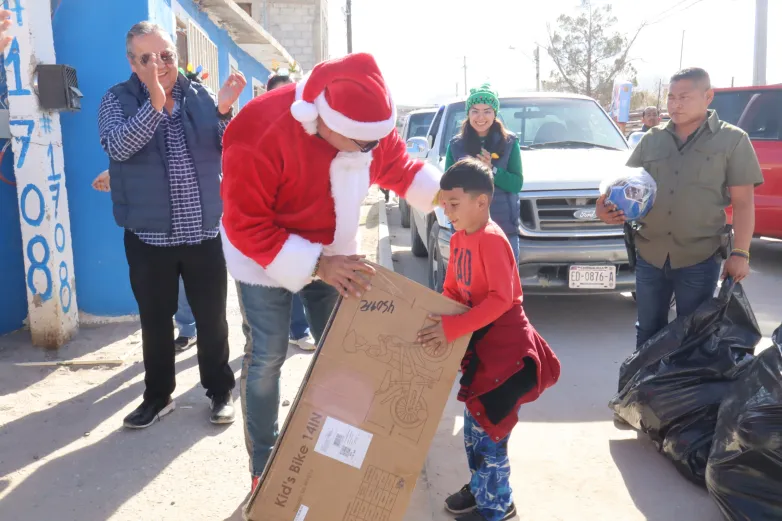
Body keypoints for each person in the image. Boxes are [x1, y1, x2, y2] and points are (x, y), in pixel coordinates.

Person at [220, 52, 443, 490]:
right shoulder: (258, 129)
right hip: (264, 256)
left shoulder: (367, 129)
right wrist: (318, 264)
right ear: (322, 119)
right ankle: (263, 466)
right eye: (363, 144)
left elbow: (398, 167)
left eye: (375, 141)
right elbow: (245, 224)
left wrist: (447, 200)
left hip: (333, 252)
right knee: (267, 356)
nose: (371, 151)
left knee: (346, 353)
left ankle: (336, 450)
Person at [98, 21, 246, 428]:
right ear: (132, 62)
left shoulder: (199, 95)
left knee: (212, 320)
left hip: (202, 232)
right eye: (147, 58)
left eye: (166, 55)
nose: (159, 64)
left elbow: (227, 148)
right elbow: (117, 146)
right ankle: (158, 397)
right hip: (149, 237)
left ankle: (219, 391)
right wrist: (154, 103)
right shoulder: (116, 99)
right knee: (156, 323)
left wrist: (224, 111)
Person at [416, 158, 560, 521]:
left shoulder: (492, 239)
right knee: (474, 427)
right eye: (444, 204)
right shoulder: (459, 238)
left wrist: (452, 329)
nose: (447, 211)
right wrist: (437, 316)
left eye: (453, 203)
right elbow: (453, 288)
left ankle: (497, 505)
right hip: (480, 347)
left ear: (481, 202)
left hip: (506, 353)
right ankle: (480, 486)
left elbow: (500, 299)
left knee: (491, 430)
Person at [597, 67, 764, 352]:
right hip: (650, 253)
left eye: (684, 97)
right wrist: (604, 207)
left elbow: (744, 203)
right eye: (671, 97)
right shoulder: (652, 139)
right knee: (648, 330)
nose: (675, 104)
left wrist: (741, 253)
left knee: (693, 334)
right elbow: (626, 184)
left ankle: (687, 383)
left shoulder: (732, 140)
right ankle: (642, 382)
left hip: (699, 256)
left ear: (708, 97)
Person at [92, 170, 198, 352]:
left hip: (184, 213)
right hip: (150, 219)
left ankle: (189, 329)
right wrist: (114, 173)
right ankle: (176, 334)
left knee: (185, 278)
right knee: (158, 281)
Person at [265, 72, 317, 351]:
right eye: (278, 95)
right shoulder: (259, 129)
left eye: (290, 94)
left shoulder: (310, 129)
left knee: (304, 273)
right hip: (271, 216)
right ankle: (289, 330)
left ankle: (301, 328)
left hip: (305, 213)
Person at [445, 84, 523, 261]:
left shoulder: (510, 143)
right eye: (475, 111)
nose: (481, 117)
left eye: (487, 111)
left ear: (495, 113)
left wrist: (491, 169)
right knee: (467, 277)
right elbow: (447, 188)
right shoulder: (456, 145)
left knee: (504, 277)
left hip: (504, 228)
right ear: (468, 114)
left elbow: (516, 184)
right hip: (466, 228)